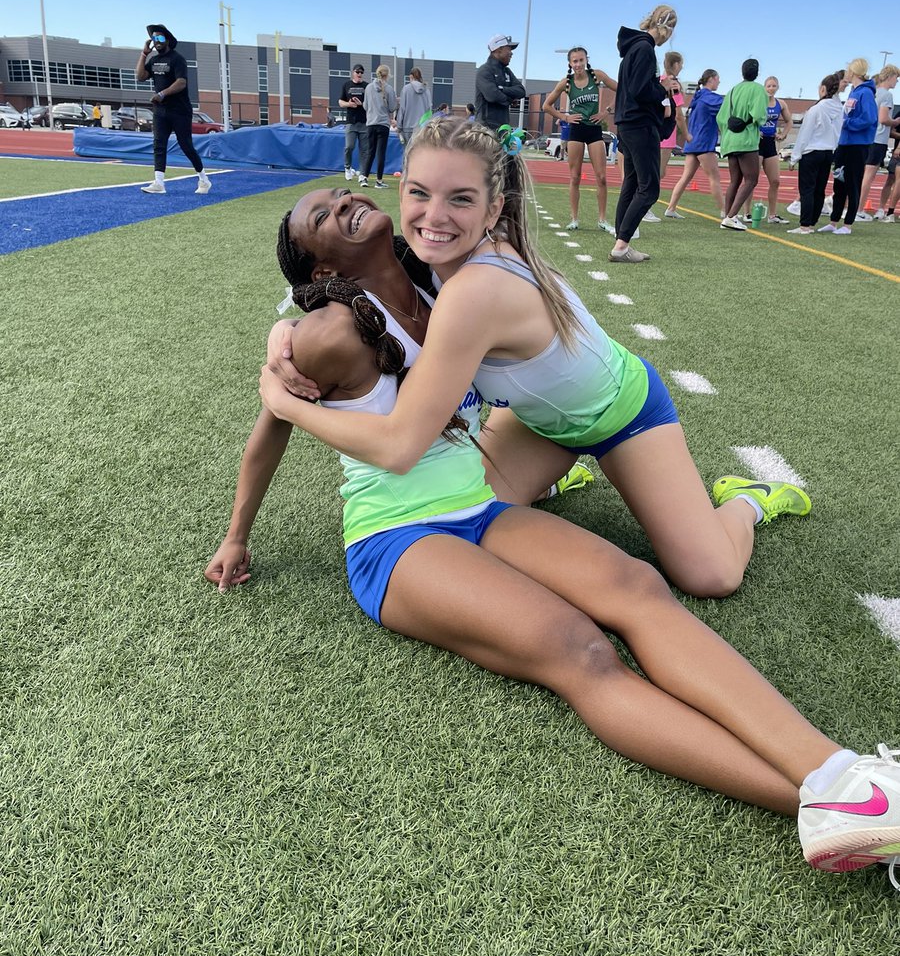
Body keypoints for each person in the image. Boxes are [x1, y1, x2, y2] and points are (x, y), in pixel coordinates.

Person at [207, 187, 900, 894]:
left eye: (340, 195)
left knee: (639, 587)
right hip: (396, 537)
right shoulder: (326, 334)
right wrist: (237, 535)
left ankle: (835, 771)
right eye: (322, 216)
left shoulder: (439, 279)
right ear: (322, 271)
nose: (344, 202)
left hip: (477, 504)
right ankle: (842, 807)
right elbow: (270, 432)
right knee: (580, 650)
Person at [266, 118, 812, 602]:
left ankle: (748, 500)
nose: (435, 216)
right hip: (536, 423)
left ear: (492, 209)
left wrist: (288, 405)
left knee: (711, 576)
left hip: (623, 415)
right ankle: (554, 476)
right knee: (462, 518)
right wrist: (285, 331)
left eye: (460, 199)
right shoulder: (425, 262)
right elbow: (352, 302)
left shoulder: (476, 286)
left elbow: (400, 445)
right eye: (420, 193)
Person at [610, 5, 680, 263]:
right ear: (666, 28)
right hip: (639, 125)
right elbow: (640, 90)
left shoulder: (634, 48)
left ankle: (621, 241)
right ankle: (621, 245)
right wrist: (663, 88)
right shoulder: (644, 49)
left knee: (631, 183)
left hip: (627, 124)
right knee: (649, 188)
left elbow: (634, 87)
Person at [543, 46, 618, 234]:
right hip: (576, 130)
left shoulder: (597, 76)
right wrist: (565, 117)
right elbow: (546, 106)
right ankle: (574, 219)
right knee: (575, 177)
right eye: (574, 61)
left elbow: (621, 90)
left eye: (581, 60)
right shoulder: (566, 83)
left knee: (601, 177)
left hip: (594, 130)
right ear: (570, 63)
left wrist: (606, 111)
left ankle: (602, 220)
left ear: (586, 60)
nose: (578, 64)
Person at [136, 24, 211, 196]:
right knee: (159, 144)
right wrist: (144, 54)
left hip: (179, 110)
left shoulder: (177, 59)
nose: (157, 41)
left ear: (168, 40)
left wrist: (162, 94)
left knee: (186, 145)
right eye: (154, 38)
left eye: (160, 38)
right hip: (160, 111)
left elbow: (181, 82)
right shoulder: (153, 61)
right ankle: (159, 183)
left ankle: (204, 179)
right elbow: (140, 76)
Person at [818, 59, 878, 235]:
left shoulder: (865, 93)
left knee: (852, 184)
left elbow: (869, 118)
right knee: (839, 184)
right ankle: (833, 221)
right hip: (844, 143)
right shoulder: (854, 92)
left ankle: (848, 224)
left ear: (854, 72)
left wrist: (846, 123)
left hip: (858, 145)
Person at [787, 73, 844, 234]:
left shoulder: (816, 109)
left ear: (823, 89)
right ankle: (811, 223)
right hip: (828, 152)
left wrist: (794, 157)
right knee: (820, 189)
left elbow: (804, 135)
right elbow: (838, 132)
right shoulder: (838, 108)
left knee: (807, 190)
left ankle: (805, 225)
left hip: (812, 152)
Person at [664, 69, 726, 218]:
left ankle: (671, 208)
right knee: (714, 178)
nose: (719, 82)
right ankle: (726, 213)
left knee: (685, 177)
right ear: (711, 79)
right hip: (703, 143)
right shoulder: (710, 98)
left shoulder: (697, 97)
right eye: (718, 79)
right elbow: (729, 107)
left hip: (692, 142)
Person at [716, 59, 768, 231]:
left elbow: (721, 118)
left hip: (730, 140)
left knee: (735, 181)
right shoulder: (758, 89)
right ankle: (731, 217)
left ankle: (727, 216)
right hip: (746, 141)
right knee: (751, 179)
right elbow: (759, 115)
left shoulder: (732, 91)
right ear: (757, 73)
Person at [857, 64, 900, 220]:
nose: (897, 82)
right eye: (896, 78)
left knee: (860, 175)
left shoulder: (871, 93)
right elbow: (883, 119)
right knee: (868, 177)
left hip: (866, 138)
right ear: (890, 77)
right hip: (878, 139)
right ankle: (859, 210)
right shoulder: (887, 95)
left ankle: (851, 207)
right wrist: (895, 122)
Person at [653, 50, 690, 214]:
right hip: (665, 135)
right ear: (675, 65)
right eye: (681, 64)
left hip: (656, 131)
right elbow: (679, 115)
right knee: (657, 173)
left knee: (656, 172)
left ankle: (665, 208)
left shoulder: (658, 80)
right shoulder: (673, 84)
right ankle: (645, 207)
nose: (681, 67)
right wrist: (687, 135)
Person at [750, 76, 792, 224]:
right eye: (768, 86)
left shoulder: (781, 104)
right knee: (751, 181)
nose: (771, 88)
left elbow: (789, 121)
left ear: (777, 87)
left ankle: (772, 215)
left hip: (770, 144)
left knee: (775, 181)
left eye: (774, 86)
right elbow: (748, 119)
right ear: (764, 87)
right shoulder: (758, 102)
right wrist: (755, 132)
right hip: (757, 144)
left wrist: (783, 134)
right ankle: (747, 213)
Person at [475, 35, 526, 130]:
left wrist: (501, 89)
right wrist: (511, 99)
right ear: (499, 50)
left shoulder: (507, 71)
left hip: (503, 127)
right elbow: (492, 96)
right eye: (509, 49)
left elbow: (521, 91)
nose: (511, 53)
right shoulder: (484, 70)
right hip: (485, 128)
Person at [358, 65, 398, 190]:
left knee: (370, 151)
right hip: (383, 124)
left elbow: (365, 106)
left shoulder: (368, 87)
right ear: (387, 75)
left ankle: (364, 177)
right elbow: (392, 108)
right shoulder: (389, 89)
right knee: (381, 153)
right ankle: (378, 181)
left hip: (371, 123)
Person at [339, 63, 368, 181]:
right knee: (349, 146)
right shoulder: (346, 85)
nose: (359, 74)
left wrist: (362, 104)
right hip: (351, 121)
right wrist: (349, 104)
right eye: (357, 72)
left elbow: (371, 104)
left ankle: (362, 173)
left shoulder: (367, 86)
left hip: (364, 122)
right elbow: (340, 102)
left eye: (361, 72)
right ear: (353, 72)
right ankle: (348, 168)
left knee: (364, 150)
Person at [397, 68, 432, 146]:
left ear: (411, 76)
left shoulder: (406, 89)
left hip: (407, 127)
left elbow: (402, 109)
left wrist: (399, 126)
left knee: (407, 151)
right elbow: (429, 110)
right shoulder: (426, 90)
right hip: (422, 127)